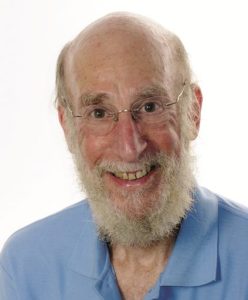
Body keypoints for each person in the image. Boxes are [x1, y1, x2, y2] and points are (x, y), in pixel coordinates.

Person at [1, 12, 248, 300]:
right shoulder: (26, 267)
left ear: (192, 112)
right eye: (99, 113)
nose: (130, 147)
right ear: (67, 127)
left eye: (150, 107)